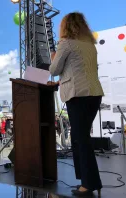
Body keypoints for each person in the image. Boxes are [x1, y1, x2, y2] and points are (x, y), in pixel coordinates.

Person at [49, 12, 103, 196]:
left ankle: (89, 183)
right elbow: (79, 70)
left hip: (77, 95)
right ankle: (85, 180)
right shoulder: (90, 46)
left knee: (81, 139)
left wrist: (53, 56)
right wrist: (60, 82)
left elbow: (55, 69)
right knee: (79, 138)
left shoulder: (66, 43)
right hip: (94, 94)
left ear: (66, 26)